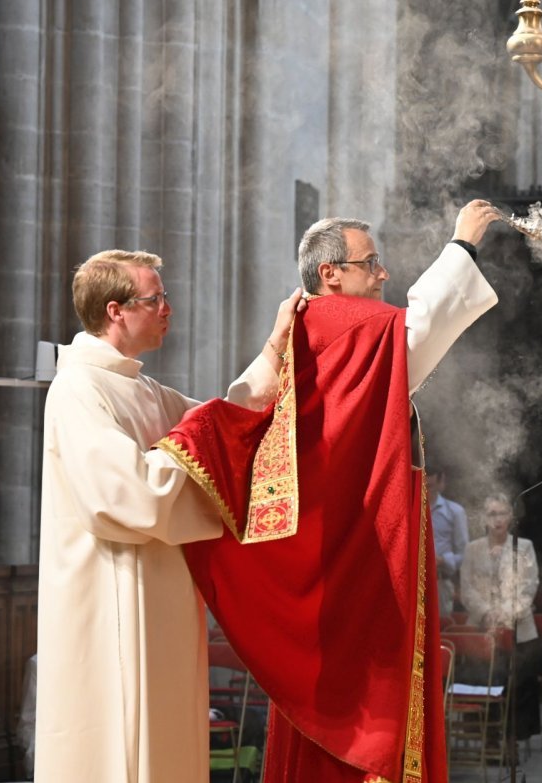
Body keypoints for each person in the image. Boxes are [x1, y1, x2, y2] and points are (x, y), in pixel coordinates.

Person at [155, 200, 503, 782]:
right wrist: (462, 247)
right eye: (372, 263)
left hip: (335, 544)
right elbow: (418, 330)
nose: (383, 274)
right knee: (362, 706)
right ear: (330, 274)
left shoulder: (310, 331)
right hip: (353, 554)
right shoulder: (336, 323)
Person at [35, 249, 304, 783]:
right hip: (112, 598)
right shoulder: (78, 390)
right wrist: (191, 450)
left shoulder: (144, 389)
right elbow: (127, 493)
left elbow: (225, 423)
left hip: (162, 599)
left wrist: (277, 347)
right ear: (115, 310)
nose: (167, 308)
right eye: (154, 299)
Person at [459, 493, 542, 745]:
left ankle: (512, 738)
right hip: (481, 626)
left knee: (518, 678)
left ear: (511, 517)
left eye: (502, 513)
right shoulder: (472, 549)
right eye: (492, 514)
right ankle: (486, 735)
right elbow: (466, 588)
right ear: (484, 518)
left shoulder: (524, 546)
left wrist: (506, 612)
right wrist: (487, 612)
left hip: (517, 626)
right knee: (481, 675)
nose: (497, 519)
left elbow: (529, 586)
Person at [428, 465, 470, 616]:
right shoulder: (408, 508)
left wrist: (443, 560)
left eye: (430, 485)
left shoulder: (455, 512)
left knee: (439, 634)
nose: (425, 487)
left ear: (441, 481)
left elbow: (465, 554)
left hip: (440, 583)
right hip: (409, 583)